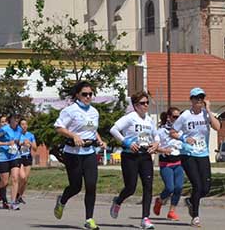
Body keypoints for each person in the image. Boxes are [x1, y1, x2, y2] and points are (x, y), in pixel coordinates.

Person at [53, 81, 105, 230]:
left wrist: (100, 141)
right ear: (77, 95)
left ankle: (89, 219)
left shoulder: (94, 112)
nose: (88, 97)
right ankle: (62, 201)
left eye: (90, 94)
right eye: (84, 94)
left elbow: (92, 129)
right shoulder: (70, 110)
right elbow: (59, 127)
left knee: (91, 185)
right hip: (73, 153)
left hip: (89, 153)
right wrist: (73, 135)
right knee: (76, 187)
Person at [109, 90, 162, 230]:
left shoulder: (149, 119)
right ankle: (118, 201)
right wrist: (126, 142)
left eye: (147, 103)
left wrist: (156, 144)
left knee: (148, 186)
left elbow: (156, 136)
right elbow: (113, 130)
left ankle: (145, 218)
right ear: (135, 105)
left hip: (145, 156)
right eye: (142, 103)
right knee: (131, 187)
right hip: (130, 156)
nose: (145, 106)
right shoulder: (130, 117)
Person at [171, 87, 221, 228]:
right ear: (191, 100)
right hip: (188, 154)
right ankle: (195, 216)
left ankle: (191, 201)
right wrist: (184, 138)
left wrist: (209, 110)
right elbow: (173, 132)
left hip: (203, 154)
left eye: (201, 97)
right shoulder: (185, 115)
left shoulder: (206, 114)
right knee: (197, 185)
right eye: (196, 98)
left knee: (206, 188)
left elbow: (217, 127)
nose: (199, 100)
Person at [153, 107, 184, 222]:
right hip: (166, 163)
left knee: (179, 187)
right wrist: (163, 151)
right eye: (175, 117)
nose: (177, 119)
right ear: (169, 117)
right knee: (170, 187)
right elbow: (155, 147)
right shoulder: (161, 131)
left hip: (178, 162)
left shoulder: (180, 131)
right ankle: (159, 201)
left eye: (179, 117)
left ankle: (172, 211)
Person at [0, 113, 24, 210]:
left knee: (15, 178)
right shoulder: (4, 130)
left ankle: (13, 202)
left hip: (14, 156)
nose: (17, 120)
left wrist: (23, 143)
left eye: (18, 118)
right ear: (10, 120)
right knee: (4, 181)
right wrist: (6, 143)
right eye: (15, 118)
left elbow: (17, 141)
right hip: (3, 156)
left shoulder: (19, 130)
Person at [17, 118, 37, 205]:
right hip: (19, 157)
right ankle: (16, 194)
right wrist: (21, 143)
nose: (24, 126)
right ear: (19, 126)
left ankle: (19, 196)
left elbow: (35, 148)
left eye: (25, 124)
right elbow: (13, 144)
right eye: (22, 124)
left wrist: (30, 143)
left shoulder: (31, 135)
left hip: (28, 157)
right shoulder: (17, 135)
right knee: (22, 177)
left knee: (25, 180)